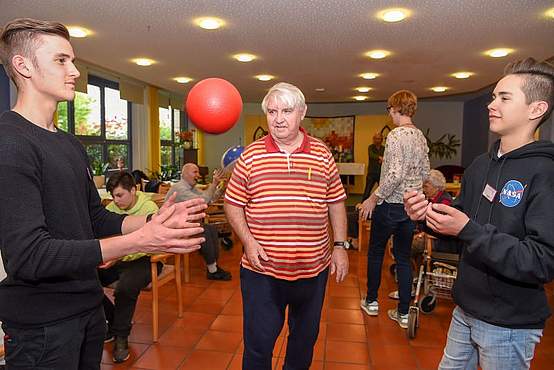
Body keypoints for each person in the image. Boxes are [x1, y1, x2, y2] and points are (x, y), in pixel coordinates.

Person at [0, 18, 206, 369]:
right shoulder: (11, 143)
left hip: (88, 308)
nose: (75, 71)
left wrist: (153, 219)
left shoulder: (69, 144)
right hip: (43, 326)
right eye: (61, 60)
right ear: (23, 66)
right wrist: (142, 241)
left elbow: (94, 217)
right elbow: (30, 256)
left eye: (73, 61)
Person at [404, 57, 554, 370]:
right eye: (493, 96)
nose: (491, 104)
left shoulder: (545, 172)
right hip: (466, 308)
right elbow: (456, 221)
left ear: (536, 110)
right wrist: (425, 215)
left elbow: (541, 261)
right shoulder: (480, 166)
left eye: (504, 98)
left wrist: (467, 229)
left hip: (509, 323)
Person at [224, 82, 349, 370]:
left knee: (303, 344)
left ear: (302, 113)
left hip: (313, 270)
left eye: (287, 111)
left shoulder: (322, 154)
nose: (278, 118)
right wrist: (248, 241)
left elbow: (336, 203)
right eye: (272, 111)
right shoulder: (251, 156)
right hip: (262, 271)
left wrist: (340, 246)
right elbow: (233, 204)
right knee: (258, 347)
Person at [358, 90, 430, 329]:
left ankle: (371, 301)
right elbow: (425, 173)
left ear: (397, 108)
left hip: (390, 205)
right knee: (402, 256)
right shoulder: (420, 136)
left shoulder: (396, 136)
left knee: (376, 253)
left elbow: (394, 175)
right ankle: (403, 314)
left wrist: (373, 197)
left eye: (389, 108)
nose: (389, 113)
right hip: (411, 207)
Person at [98, 172, 159, 363]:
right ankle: (116, 322)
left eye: (119, 195)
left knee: (126, 287)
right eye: (113, 196)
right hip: (117, 258)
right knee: (84, 278)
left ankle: (121, 337)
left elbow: (151, 243)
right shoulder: (112, 208)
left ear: (133, 190)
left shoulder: (149, 208)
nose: (116, 201)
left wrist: (117, 255)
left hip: (145, 259)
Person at [165, 163, 232, 280]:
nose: (198, 175)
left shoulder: (191, 188)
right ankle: (212, 270)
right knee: (204, 231)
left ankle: (213, 267)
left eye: (198, 172)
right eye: (195, 172)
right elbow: (203, 201)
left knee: (211, 229)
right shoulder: (179, 188)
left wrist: (222, 187)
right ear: (185, 174)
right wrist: (214, 183)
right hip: (173, 228)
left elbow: (210, 199)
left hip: (184, 224)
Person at [362, 132, 385, 201]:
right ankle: (363, 204)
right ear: (373, 139)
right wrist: (379, 157)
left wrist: (382, 159)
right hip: (371, 173)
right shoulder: (370, 147)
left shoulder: (384, 148)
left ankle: (381, 207)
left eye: (379, 139)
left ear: (381, 140)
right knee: (367, 191)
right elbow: (371, 155)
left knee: (382, 191)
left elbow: (386, 157)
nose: (377, 140)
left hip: (381, 173)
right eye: (376, 139)